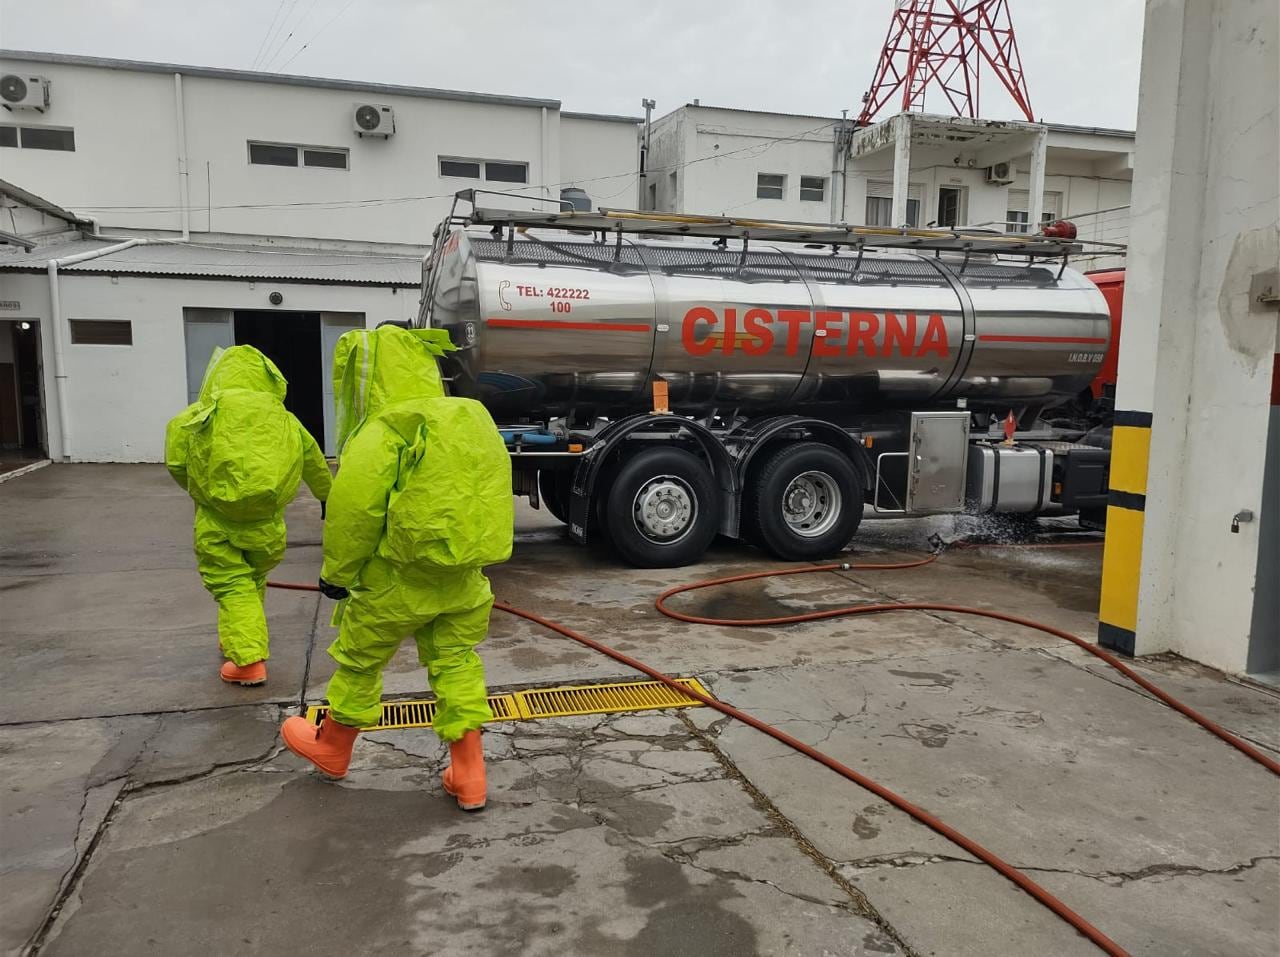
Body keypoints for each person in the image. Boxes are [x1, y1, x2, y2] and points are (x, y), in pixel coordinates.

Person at [281, 326, 513, 812]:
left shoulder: (388, 427)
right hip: (463, 579)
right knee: (456, 663)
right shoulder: (470, 418)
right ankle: (470, 774)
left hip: (394, 581)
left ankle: (333, 747)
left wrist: (338, 574)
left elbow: (355, 510)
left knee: (360, 661)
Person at [165, 345, 331, 686]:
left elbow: (177, 463)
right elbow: (314, 463)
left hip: (217, 523)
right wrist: (328, 499)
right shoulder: (285, 419)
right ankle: (236, 638)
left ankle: (249, 662)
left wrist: (202, 491)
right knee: (250, 580)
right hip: (268, 525)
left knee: (231, 584)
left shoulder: (200, 414)